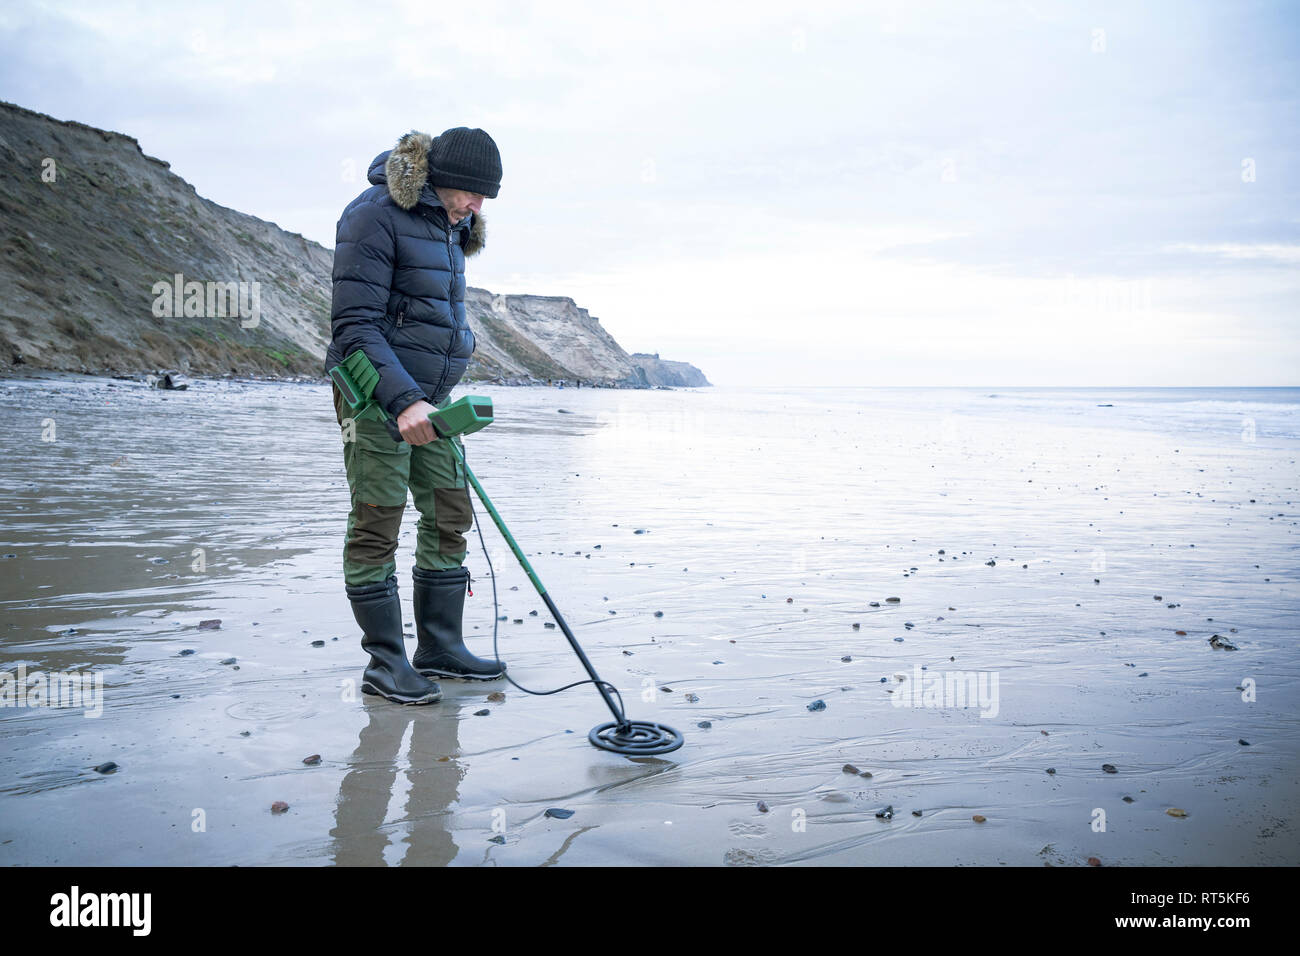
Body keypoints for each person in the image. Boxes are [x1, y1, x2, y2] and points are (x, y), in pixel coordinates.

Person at [324, 126, 506, 704]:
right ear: (439, 179)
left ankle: (440, 647)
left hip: (435, 399)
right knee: (379, 522)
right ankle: (385, 664)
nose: (476, 208)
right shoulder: (374, 214)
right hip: (376, 394)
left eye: (485, 200)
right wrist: (403, 401)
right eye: (471, 194)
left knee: (450, 511)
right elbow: (355, 328)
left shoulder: (450, 226)